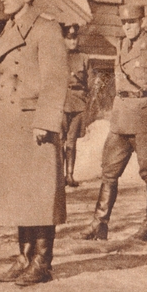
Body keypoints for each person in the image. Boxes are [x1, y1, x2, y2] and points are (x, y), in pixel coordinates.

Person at [0, 0, 69, 286]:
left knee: (40, 191)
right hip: (10, 120)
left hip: (35, 122)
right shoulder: (11, 27)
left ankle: (42, 262)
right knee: (18, 192)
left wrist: (45, 121)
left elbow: (55, 80)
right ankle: (23, 257)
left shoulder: (46, 29)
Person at [78, 4, 147, 242]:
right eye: (124, 23)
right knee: (109, 171)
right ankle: (100, 223)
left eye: (132, 22)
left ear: (142, 22)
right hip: (120, 117)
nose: (128, 27)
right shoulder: (120, 46)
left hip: (145, 116)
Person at [61, 24, 90, 188]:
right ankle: (59, 176)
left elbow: (90, 80)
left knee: (72, 142)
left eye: (75, 38)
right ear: (64, 39)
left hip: (78, 103)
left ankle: (69, 175)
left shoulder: (84, 58)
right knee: (60, 140)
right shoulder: (58, 57)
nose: (72, 42)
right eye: (69, 38)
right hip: (62, 102)